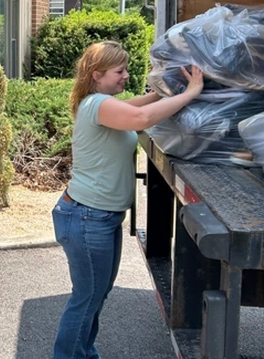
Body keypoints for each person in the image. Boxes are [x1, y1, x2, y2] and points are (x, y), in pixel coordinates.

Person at [52, 41, 203, 359]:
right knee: (87, 297)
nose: (126, 75)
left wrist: (165, 89)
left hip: (100, 217)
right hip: (86, 217)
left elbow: (139, 107)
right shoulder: (97, 105)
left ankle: (83, 353)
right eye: (119, 71)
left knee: (96, 294)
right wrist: (190, 94)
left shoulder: (103, 103)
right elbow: (142, 118)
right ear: (98, 75)